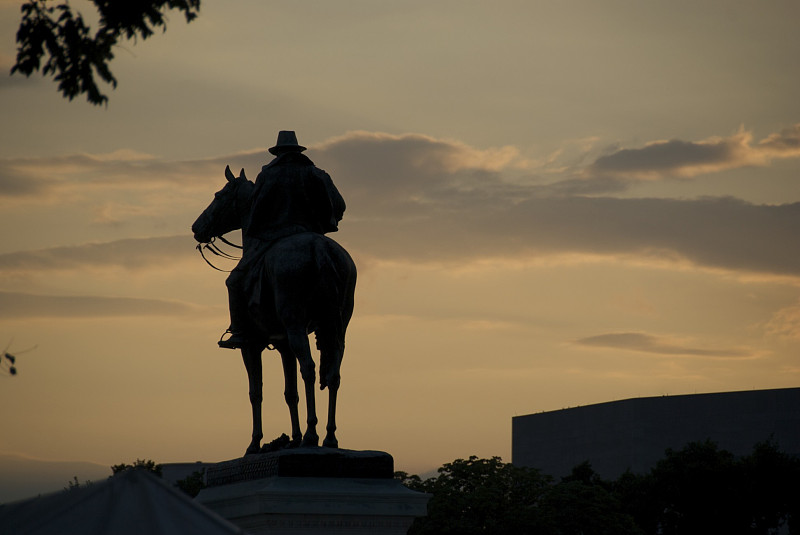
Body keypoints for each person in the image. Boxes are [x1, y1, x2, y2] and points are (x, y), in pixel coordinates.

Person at [219, 131, 345, 349]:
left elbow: (257, 211)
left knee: (234, 281)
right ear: (298, 151)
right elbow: (339, 206)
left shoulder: (268, 174)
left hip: (276, 237)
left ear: (277, 153)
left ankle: (240, 331)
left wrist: (257, 230)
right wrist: (322, 226)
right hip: (312, 233)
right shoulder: (317, 174)